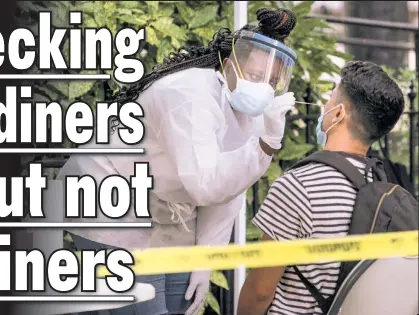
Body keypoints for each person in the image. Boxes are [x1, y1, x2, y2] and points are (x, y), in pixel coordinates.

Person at [56, 7, 299, 315]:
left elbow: (228, 195)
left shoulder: (248, 114)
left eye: (271, 81)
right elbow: (206, 186)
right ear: (228, 64)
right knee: (145, 305)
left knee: (180, 303)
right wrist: (266, 145)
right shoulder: (190, 95)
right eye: (254, 75)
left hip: (156, 205)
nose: (262, 87)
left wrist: (204, 260)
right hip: (106, 193)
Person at [237, 60, 405, 315]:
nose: (323, 108)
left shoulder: (298, 186)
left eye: (328, 100)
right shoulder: (383, 188)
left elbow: (260, 291)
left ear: (337, 114)